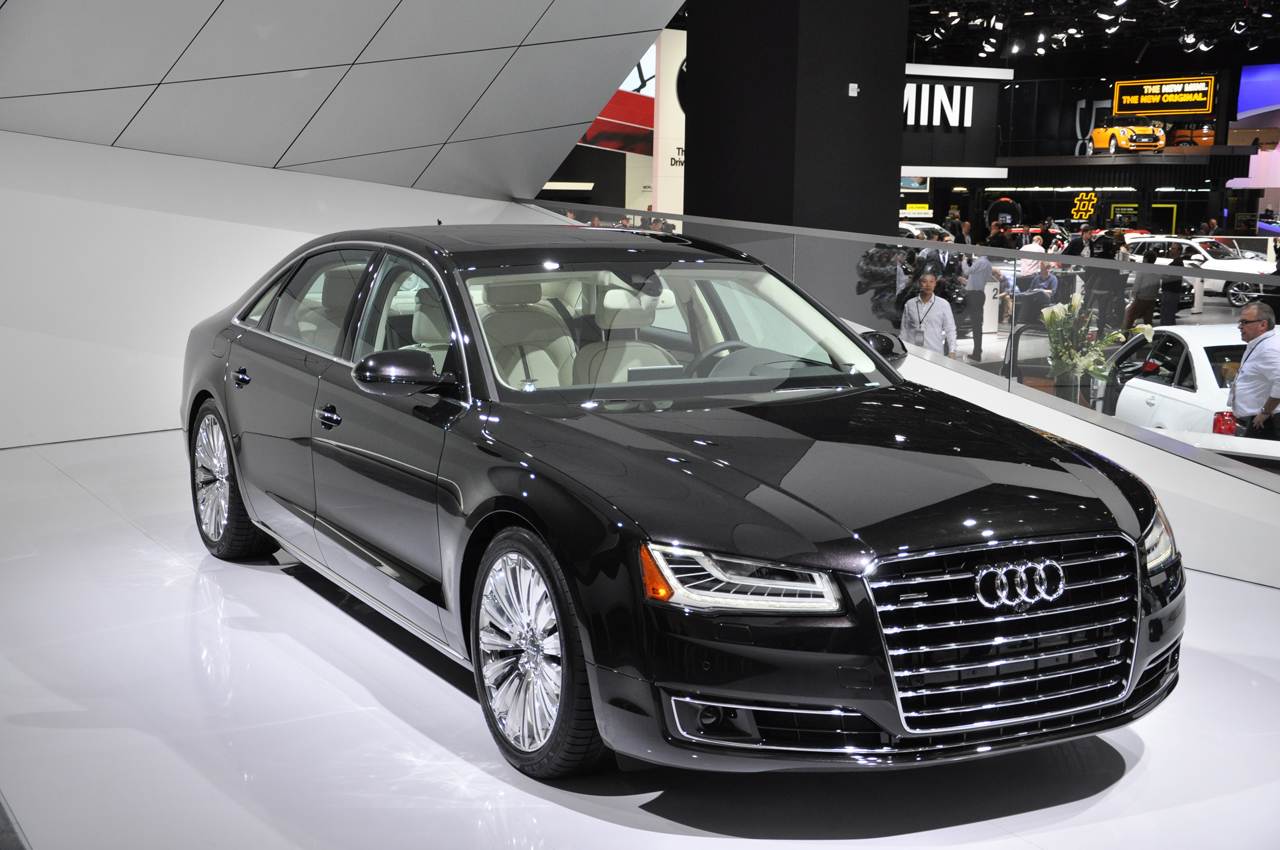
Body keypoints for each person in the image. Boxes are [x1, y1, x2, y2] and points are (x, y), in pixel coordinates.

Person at [1230, 302, 1280, 439]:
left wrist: (1265, 411)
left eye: (1245, 322)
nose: (1240, 326)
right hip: (1256, 422)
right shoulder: (1259, 345)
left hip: (1264, 424)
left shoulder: (1268, 349)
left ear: (1263, 325)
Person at [900, 271, 957, 358]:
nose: (928, 285)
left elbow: (950, 329)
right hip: (912, 352)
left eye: (931, 281)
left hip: (935, 352)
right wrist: (902, 350)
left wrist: (952, 350)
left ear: (935, 284)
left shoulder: (943, 304)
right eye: (924, 281)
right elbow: (904, 330)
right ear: (919, 283)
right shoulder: (910, 304)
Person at [959, 253, 1002, 360]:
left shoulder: (980, 262)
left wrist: (964, 261)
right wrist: (967, 282)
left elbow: (967, 271)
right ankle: (977, 349)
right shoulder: (987, 264)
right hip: (979, 294)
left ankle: (949, 346)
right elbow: (978, 280)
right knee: (977, 324)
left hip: (973, 295)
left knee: (959, 320)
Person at [1124, 249, 1161, 329]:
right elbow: (1158, 285)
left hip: (1141, 298)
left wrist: (1134, 294)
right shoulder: (1157, 270)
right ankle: (1149, 335)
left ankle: (1124, 334)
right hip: (1151, 299)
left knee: (1129, 316)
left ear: (1146, 259)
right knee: (1148, 320)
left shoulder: (1142, 269)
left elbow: (1137, 283)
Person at [1160, 243, 1185, 326]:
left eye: (1174, 249)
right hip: (1171, 292)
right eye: (1171, 248)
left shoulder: (1177, 263)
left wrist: (1163, 276)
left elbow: (1168, 277)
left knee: (1166, 315)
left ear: (1179, 251)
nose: (1171, 250)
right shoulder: (1176, 262)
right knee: (1169, 315)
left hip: (1170, 293)